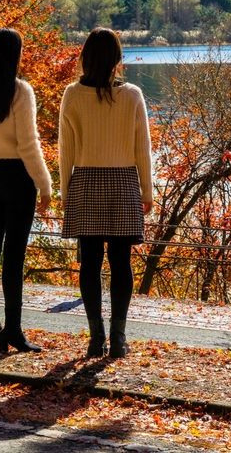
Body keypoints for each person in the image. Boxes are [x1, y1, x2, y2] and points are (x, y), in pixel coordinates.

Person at [59, 27, 153, 359]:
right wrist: (148, 191)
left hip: (84, 182)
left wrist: (63, 191)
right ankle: (119, 337)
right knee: (121, 263)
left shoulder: (71, 94)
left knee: (90, 264)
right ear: (116, 58)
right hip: (126, 182)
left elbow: (65, 150)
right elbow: (143, 149)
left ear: (86, 56)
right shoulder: (132, 94)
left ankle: (95, 336)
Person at [0, 27, 52, 352]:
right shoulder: (21, 92)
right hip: (18, 176)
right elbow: (28, 144)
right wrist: (44, 184)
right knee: (13, 256)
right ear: (15, 54)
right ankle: (12, 331)